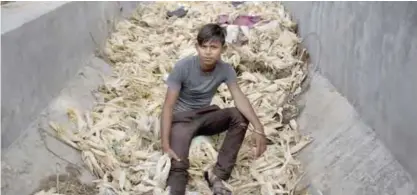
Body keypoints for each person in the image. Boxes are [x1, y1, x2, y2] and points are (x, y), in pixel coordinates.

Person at [160, 23, 267, 195]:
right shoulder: (183, 67)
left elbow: (239, 97)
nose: (208, 52)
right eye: (204, 46)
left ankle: (218, 176)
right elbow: (167, 107)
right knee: (178, 165)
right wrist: (165, 143)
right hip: (182, 120)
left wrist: (258, 127)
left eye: (214, 47)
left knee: (238, 116)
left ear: (222, 49)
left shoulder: (225, 69)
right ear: (197, 47)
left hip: (205, 116)